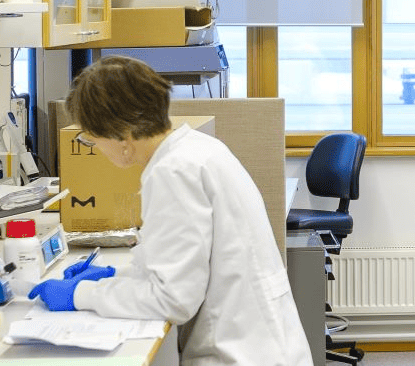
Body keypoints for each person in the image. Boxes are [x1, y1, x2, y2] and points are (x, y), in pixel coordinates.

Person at [28, 55, 311, 366]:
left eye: (91, 139)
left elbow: (173, 300)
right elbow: (178, 262)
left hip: (238, 353)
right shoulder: (199, 149)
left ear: (121, 134)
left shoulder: (172, 172)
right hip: (264, 343)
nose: (94, 148)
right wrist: (117, 278)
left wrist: (81, 294)